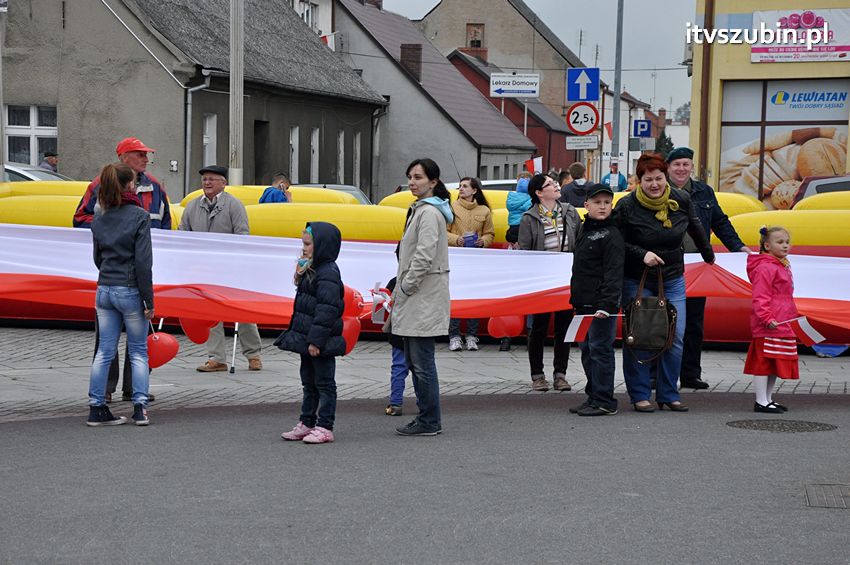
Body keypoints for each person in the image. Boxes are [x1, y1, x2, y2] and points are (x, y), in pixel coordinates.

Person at [614, 152, 715, 412]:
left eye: (659, 178)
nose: (655, 184)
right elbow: (617, 243)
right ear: (639, 180)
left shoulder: (680, 199)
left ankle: (669, 393)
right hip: (637, 279)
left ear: (665, 177)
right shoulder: (626, 206)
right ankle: (639, 394)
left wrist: (709, 255)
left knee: (675, 336)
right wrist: (642, 254)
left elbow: (696, 227)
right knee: (640, 336)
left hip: (672, 278)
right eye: (648, 179)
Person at [73, 137, 171, 402]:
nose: (145, 159)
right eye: (139, 154)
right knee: (127, 344)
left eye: (146, 154)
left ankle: (124, 391)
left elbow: (166, 226)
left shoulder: (155, 188)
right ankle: (112, 391)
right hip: (130, 274)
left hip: (118, 274)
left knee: (115, 343)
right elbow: (79, 219)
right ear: (123, 157)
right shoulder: (99, 185)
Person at [666, 146, 753, 390]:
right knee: (663, 320)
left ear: (691, 167)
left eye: (686, 164)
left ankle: (691, 373)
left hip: (697, 266)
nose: (681, 169)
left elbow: (720, 221)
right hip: (667, 265)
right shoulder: (658, 189)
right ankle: (657, 373)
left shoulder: (704, 192)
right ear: (668, 167)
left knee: (693, 322)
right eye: (677, 165)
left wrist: (738, 247)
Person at [86, 162, 154, 427]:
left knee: (104, 351)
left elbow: (97, 256)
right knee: (138, 351)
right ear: (128, 185)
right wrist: (149, 299)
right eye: (135, 181)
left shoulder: (99, 215)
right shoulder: (139, 216)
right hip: (130, 289)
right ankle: (140, 408)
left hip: (104, 288)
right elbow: (143, 263)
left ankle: (96, 407)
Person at [389, 158, 452, 436]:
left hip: (422, 295)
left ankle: (429, 419)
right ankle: (427, 417)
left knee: (422, 363)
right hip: (419, 295)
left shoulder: (429, 213)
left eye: (418, 177)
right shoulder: (421, 209)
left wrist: (405, 287)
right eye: (410, 177)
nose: (412, 182)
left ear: (433, 182)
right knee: (417, 361)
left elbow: (424, 255)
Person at [179, 166, 263, 372]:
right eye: (204, 179)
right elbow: (183, 234)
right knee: (210, 314)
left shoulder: (234, 205)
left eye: (212, 179)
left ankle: (253, 354)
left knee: (242, 311)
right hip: (203, 269)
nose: (207, 183)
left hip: (230, 268)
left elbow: (242, 235)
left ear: (223, 183)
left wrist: (234, 260)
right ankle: (216, 358)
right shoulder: (191, 206)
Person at [278, 223, 345, 444]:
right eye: (303, 243)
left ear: (322, 246)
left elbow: (327, 310)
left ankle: (325, 425)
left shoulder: (328, 273)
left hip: (320, 340)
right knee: (308, 382)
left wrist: (316, 340)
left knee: (325, 383)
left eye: (308, 244)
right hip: (307, 338)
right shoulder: (312, 268)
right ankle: (307, 421)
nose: (303, 248)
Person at [519, 173, 581, 392]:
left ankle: (560, 375)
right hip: (541, 280)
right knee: (538, 328)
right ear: (538, 193)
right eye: (550, 184)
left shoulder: (570, 212)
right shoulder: (529, 217)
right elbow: (524, 251)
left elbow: (579, 242)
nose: (556, 186)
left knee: (564, 327)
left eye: (555, 183)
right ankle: (537, 375)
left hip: (565, 278)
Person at [569, 183, 625, 416]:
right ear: (586, 205)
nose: (602, 207)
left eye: (606, 203)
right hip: (583, 303)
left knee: (600, 349)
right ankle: (593, 395)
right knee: (587, 350)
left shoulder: (612, 234)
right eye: (597, 202)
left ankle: (604, 400)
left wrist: (606, 305)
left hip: (602, 305)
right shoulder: (585, 229)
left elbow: (614, 272)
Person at [744, 226, 798, 414]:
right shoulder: (766, 267)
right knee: (764, 362)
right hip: (769, 323)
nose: (785, 245)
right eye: (780, 242)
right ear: (767, 245)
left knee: (775, 361)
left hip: (782, 321)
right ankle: (760, 400)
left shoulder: (781, 264)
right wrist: (766, 317)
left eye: (787, 242)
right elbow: (761, 296)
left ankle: (767, 399)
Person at [447, 176, 494, 352]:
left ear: (474, 190)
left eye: (465, 186)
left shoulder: (484, 210)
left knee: (474, 296)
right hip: (455, 257)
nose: (461, 189)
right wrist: (457, 239)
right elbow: (443, 232)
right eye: (460, 186)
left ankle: (472, 336)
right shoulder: (451, 208)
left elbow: (490, 233)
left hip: (476, 259)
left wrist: (483, 241)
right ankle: (454, 336)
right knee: (456, 296)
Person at [502, 173, 533, 352]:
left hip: (513, 248)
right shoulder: (531, 204)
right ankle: (530, 334)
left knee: (511, 294)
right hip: (527, 252)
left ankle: (506, 336)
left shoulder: (510, 200)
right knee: (529, 296)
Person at [383, 276, 409, 416]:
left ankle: (395, 404)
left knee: (399, 367)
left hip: (398, 330)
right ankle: (425, 404)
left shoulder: (395, 281)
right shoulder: (426, 280)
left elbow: (387, 305)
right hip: (420, 330)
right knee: (421, 370)